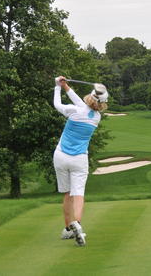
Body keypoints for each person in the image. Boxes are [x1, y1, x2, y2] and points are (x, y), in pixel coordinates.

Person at [53, 76, 108, 246]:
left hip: (61, 156)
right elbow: (83, 105)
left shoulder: (75, 111)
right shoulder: (96, 117)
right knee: (78, 194)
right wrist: (66, 87)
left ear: (90, 97)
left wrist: (57, 87)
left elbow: (57, 105)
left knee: (67, 194)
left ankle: (68, 229)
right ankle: (77, 222)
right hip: (79, 159)